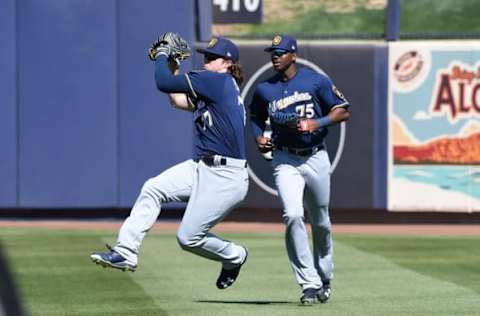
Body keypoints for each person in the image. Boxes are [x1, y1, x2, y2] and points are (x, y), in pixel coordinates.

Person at [91, 34, 249, 290]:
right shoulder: (216, 86)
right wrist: (174, 61)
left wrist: (164, 55)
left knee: (187, 238)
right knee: (153, 188)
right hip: (202, 167)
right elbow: (176, 98)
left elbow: (164, 82)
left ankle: (235, 255)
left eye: (212, 58)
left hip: (225, 176)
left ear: (227, 63)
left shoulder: (217, 81)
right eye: (205, 56)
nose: (205, 61)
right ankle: (126, 251)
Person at [249, 34, 350, 305]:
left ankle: (324, 275)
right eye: (272, 51)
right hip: (285, 159)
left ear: (293, 55)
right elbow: (255, 117)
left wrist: (317, 123)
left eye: (280, 52)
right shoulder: (264, 89)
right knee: (293, 215)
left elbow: (342, 110)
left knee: (320, 221)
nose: (275, 56)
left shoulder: (315, 81)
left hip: (315, 157)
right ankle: (309, 283)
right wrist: (259, 137)